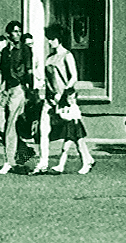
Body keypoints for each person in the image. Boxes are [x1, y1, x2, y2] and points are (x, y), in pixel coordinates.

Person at [43, 24, 96, 174]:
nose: (49, 42)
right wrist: (52, 96)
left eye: (52, 39)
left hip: (67, 99)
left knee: (73, 130)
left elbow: (74, 77)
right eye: (49, 39)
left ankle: (82, 161)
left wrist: (65, 94)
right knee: (72, 131)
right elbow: (48, 80)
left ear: (59, 39)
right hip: (54, 100)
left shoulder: (67, 55)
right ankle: (86, 159)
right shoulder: (49, 58)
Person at [0, 20, 37, 175]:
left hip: (19, 89)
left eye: (19, 31)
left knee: (10, 126)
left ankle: (9, 161)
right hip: (6, 90)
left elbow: (29, 71)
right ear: (8, 34)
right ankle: (25, 151)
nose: (18, 34)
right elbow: (1, 73)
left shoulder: (25, 49)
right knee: (1, 126)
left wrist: (30, 92)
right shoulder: (5, 51)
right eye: (15, 31)